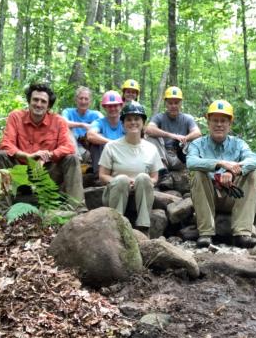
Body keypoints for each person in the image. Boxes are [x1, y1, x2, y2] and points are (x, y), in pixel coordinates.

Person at [0, 83, 84, 206]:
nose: (38, 104)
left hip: (47, 173)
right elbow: (6, 143)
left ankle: (77, 208)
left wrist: (47, 157)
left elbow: (68, 146)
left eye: (43, 101)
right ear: (29, 101)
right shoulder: (16, 117)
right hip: (20, 172)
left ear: (48, 106)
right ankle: (2, 208)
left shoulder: (58, 121)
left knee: (72, 158)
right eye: (35, 100)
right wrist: (27, 156)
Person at [186, 100, 256, 249]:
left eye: (223, 121)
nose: (219, 124)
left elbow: (254, 159)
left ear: (229, 124)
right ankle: (206, 233)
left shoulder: (239, 144)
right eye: (215, 120)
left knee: (252, 172)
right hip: (209, 194)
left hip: (233, 195)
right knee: (197, 172)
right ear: (208, 122)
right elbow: (191, 162)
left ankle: (242, 233)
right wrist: (219, 164)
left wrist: (231, 172)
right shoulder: (198, 144)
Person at [99, 101, 163, 236]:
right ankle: (116, 226)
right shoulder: (111, 146)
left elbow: (154, 177)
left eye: (137, 119)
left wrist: (139, 182)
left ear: (143, 123)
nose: (133, 122)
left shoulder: (151, 148)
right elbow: (103, 175)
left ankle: (143, 228)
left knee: (144, 177)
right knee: (121, 179)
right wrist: (124, 180)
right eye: (128, 119)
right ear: (123, 124)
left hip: (141, 192)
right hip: (117, 190)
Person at [145, 86, 201, 188]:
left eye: (176, 103)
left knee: (195, 142)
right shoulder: (159, 117)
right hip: (164, 155)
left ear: (181, 103)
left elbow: (197, 133)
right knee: (151, 138)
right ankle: (163, 172)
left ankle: (187, 173)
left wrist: (185, 138)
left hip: (180, 155)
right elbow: (148, 129)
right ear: (166, 103)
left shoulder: (187, 118)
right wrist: (171, 135)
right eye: (170, 103)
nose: (173, 106)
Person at [86, 90, 125, 173]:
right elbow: (90, 135)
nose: (112, 108)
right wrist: (112, 143)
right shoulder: (99, 122)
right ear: (104, 107)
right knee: (95, 143)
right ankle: (99, 174)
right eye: (109, 106)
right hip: (105, 158)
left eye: (115, 105)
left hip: (123, 156)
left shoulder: (126, 122)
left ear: (121, 106)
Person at [61, 86, 103, 162]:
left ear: (90, 101)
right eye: (81, 98)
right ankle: (77, 158)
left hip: (91, 148)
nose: (83, 101)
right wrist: (82, 125)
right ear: (76, 100)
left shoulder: (96, 114)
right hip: (73, 148)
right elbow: (63, 122)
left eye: (86, 99)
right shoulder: (68, 112)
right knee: (66, 129)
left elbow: (106, 123)